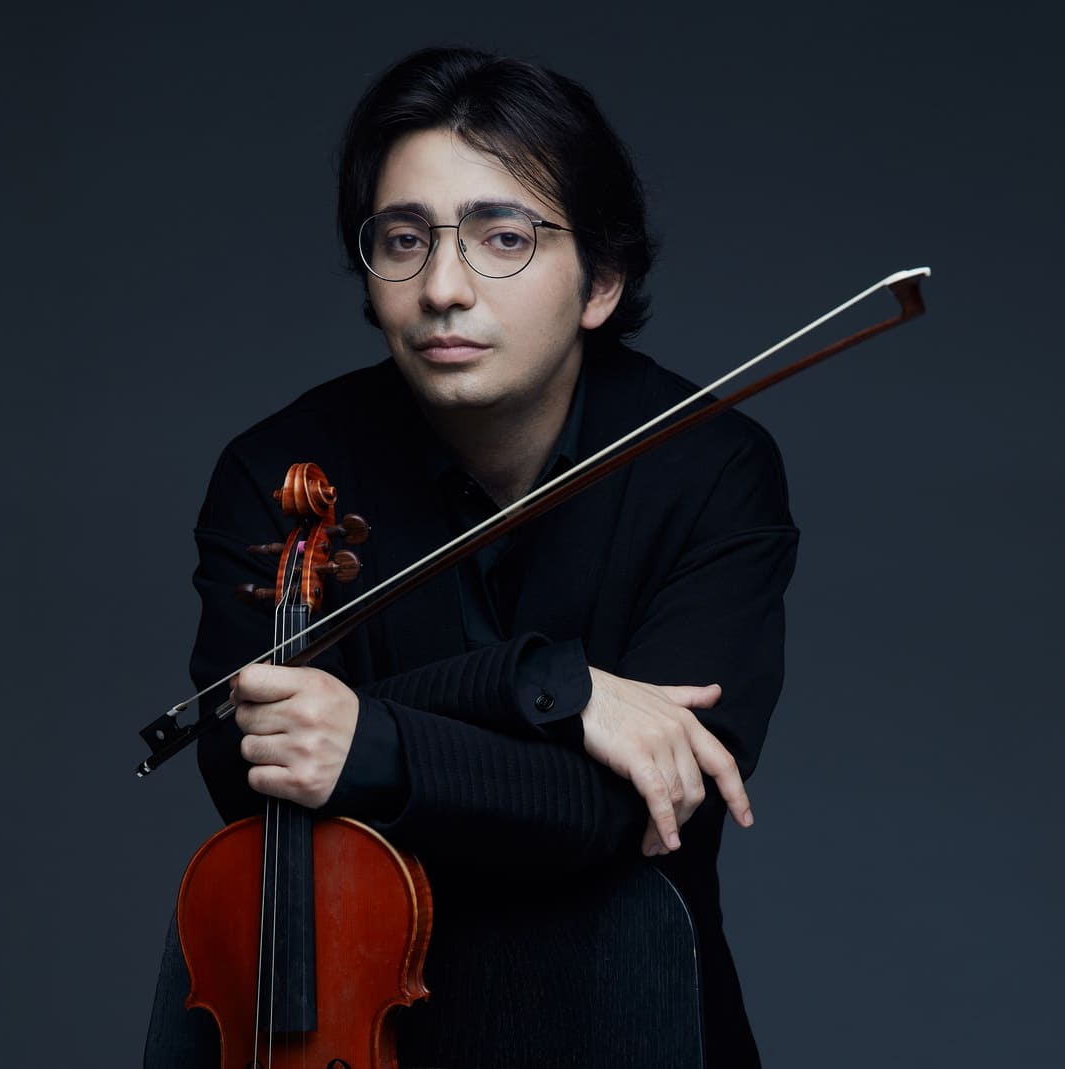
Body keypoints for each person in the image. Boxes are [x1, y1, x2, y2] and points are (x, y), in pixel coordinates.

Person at [146, 46, 798, 1067]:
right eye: (404, 240)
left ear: (601, 281)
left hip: (622, 1014)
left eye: (503, 238)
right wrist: (564, 695)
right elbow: (251, 760)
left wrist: (375, 741)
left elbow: (629, 809)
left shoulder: (711, 470)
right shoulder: (280, 472)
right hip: (328, 1015)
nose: (442, 288)